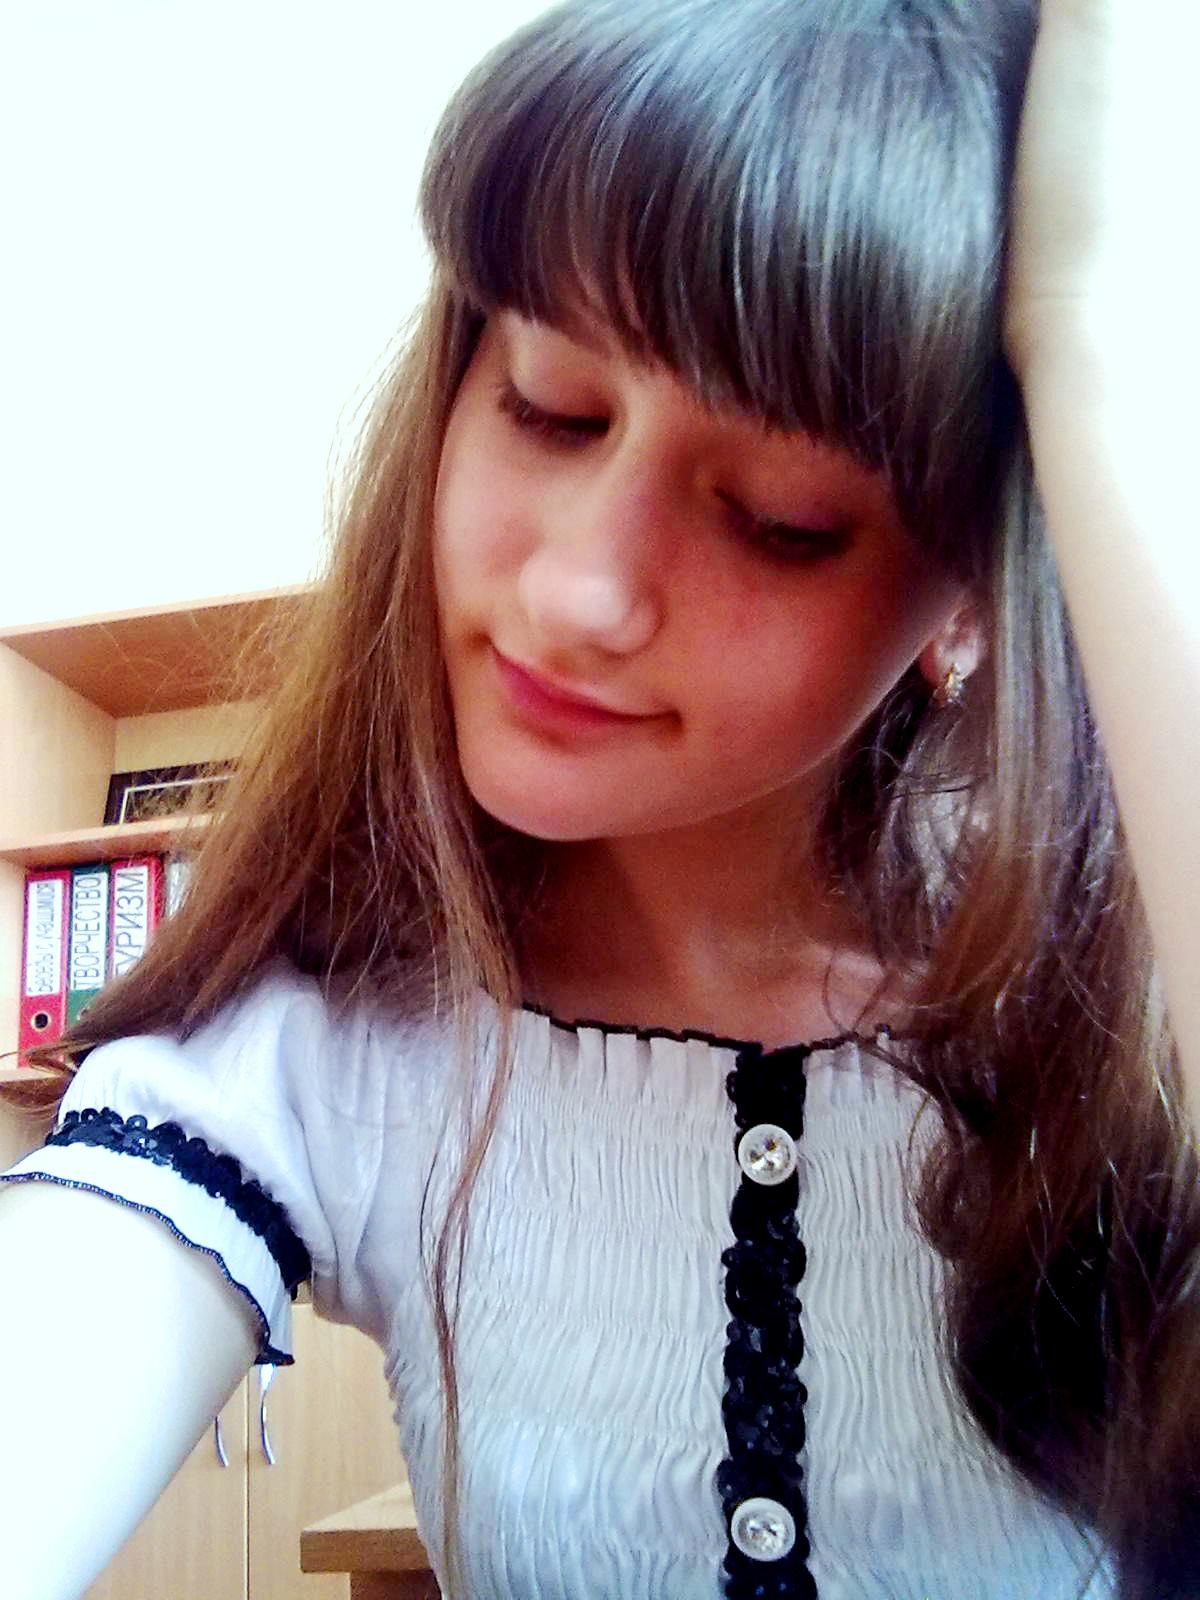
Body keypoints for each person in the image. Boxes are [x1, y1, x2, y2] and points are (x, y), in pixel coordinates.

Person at [1, 0, 1197, 1596]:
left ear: (969, 594)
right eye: (551, 410)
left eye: (780, 516)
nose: (579, 595)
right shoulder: (323, 1047)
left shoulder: (1116, 1009)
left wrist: (1107, 365)